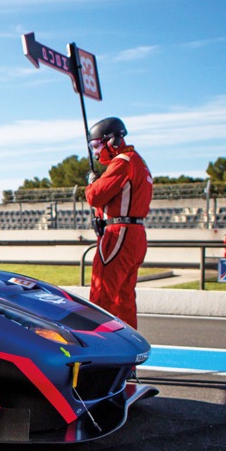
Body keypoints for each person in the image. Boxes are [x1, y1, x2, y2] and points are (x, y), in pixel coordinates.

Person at [84, 116, 153, 328]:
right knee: (124, 300)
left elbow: (95, 196)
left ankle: (100, 344)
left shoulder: (122, 161)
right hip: (135, 234)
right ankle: (128, 347)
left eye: (97, 145)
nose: (95, 152)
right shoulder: (138, 161)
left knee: (102, 294)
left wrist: (92, 183)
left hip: (119, 233)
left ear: (112, 140)